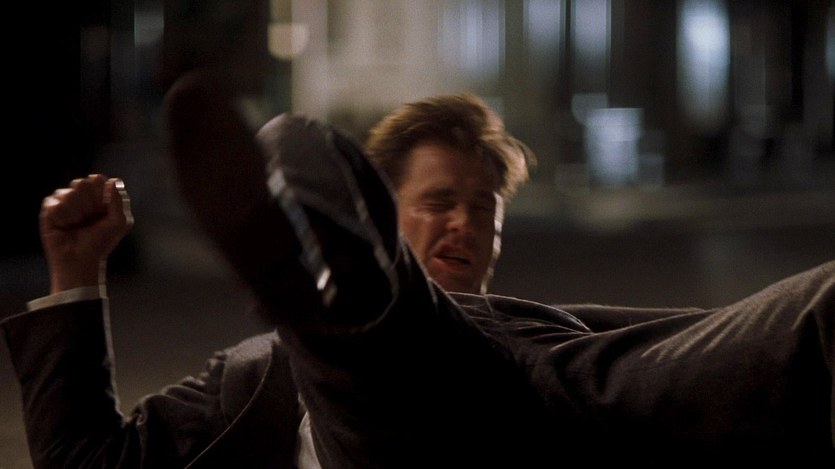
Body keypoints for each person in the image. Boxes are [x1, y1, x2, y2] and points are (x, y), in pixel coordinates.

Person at [3, 71, 833, 469]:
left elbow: (690, 358)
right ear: (380, 212)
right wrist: (76, 271)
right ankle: (338, 274)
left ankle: (330, 272)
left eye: (481, 208)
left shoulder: (543, 334)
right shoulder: (252, 381)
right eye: (438, 201)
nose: (462, 221)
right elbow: (88, 463)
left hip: (531, 406)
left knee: (799, 322)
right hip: (370, 414)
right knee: (361, 341)